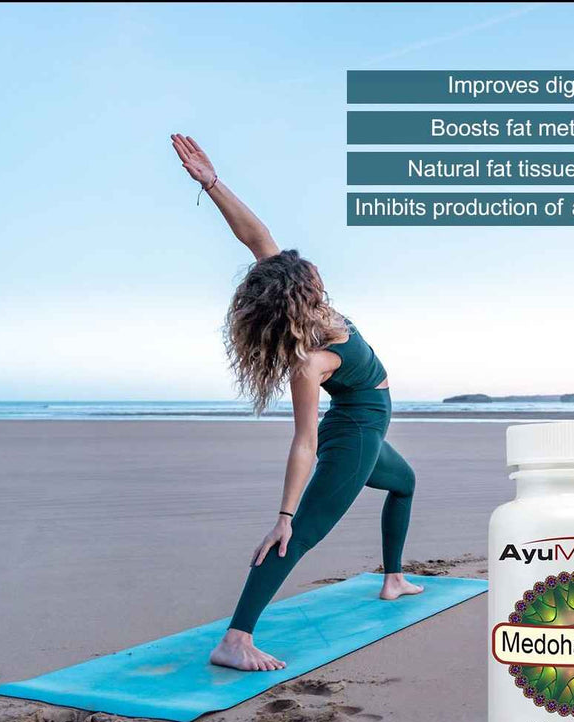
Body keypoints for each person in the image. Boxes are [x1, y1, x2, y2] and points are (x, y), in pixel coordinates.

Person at [171, 134, 422, 672]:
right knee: (300, 534)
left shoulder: (305, 305)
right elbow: (304, 440)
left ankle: (394, 578)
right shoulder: (312, 361)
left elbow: (255, 235)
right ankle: (235, 638)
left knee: (404, 483)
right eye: (308, 273)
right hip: (354, 434)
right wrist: (283, 513)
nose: (312, 269)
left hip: (368, 430)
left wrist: (212, 183)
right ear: (302, 292)